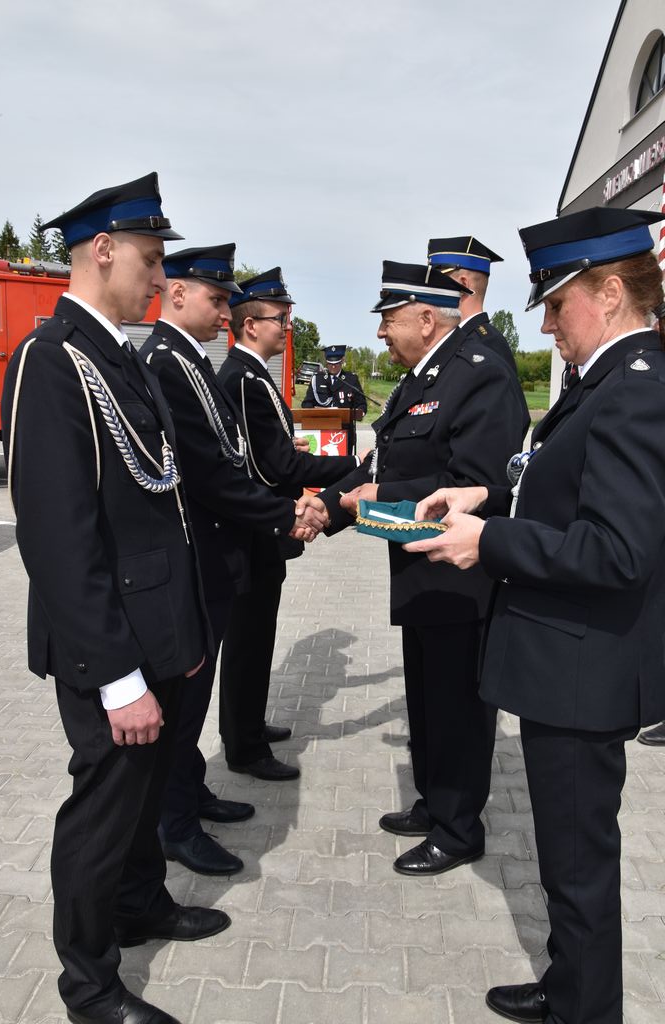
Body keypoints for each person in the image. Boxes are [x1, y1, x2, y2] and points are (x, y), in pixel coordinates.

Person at [406, 206, 665, 1024]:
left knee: (580, 867)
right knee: (564, 862)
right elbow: (566, 491)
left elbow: (616, 549)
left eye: (557, 304)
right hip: (568, 667)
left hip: (584, 674)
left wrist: (490, 542)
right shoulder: (608, 380)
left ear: (611, 292)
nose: (547, 325)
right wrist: (485, 496)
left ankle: (586, 1009)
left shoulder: (636, 388)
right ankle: (568, 985)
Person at [1, 174, 229, 1024]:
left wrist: (184, 634)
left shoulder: (119, 357)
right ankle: (89, 987)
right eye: (151, 259)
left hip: (157, 627)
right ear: (102, 250)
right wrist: (119, 675)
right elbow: (57, 539)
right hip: (110, 643)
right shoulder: (51, 360)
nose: (161, 279)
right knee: (101, 811)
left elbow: (163, 505)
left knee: (143, 794)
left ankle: (141, 905)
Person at [318, 260, 526, 875]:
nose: (381, 332)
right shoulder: (423, 376)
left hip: (461, 578)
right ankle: (435, 802)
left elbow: (476, 483)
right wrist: (330, 506)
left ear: (427, 317)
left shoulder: (480, 374)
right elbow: (380, 463)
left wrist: (374, 498)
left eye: (389, 319)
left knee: (458, 706)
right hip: (419, 569)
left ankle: (459, 829)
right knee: (429, 700)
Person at [139, 244, 326, 875]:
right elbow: (210, 474)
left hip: (220, 552)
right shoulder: (166, 363)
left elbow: (230, 460)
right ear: (178, 294)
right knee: (184, 703)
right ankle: (175, 825)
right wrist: (286, 514)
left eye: (228, 301)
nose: (226, 313)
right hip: (200, 555)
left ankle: (189, 793)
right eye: (217, 299)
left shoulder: (191, 360)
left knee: (193, 699)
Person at [216, 268, 360, 780]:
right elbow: (280, 468)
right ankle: (244, 746)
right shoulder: (244, 379)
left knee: (257, 639)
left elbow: (265, 453)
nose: (286, 328)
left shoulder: (252, 375)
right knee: (247, 643)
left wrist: (286, 450)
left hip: (261, 533)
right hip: (254, 534)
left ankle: (249, 725)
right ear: (251, 324)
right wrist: (354, 467)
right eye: (280, 318)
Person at [427, 234, 530, 436]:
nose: (427, 290)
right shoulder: (456, 341)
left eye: (435, 282)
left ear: (463, 285)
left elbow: (505, 425)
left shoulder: (486, 343)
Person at [301, 344, 367, 454]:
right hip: (321, 431)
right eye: (330, 363)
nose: (333, 367)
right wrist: (314, 412)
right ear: (326, 362)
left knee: (343, 463)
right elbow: (306, 403)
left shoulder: (351, 379)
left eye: (336, 363)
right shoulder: (317, 379)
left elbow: (361, 404)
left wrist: (359, 413)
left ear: (342, 361)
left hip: (344, 432)